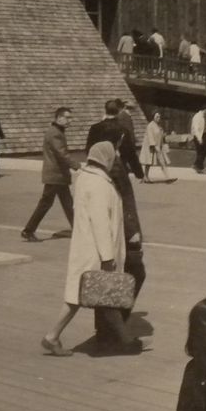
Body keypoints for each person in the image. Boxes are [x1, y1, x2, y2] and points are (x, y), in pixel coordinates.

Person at [40, 140, 138, 356]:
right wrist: (107, 256)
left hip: (85, 247)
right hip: (96, 251)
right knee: (94, 294)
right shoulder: (99, 185)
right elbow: (101, 222)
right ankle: (52, 336)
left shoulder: (85, 178)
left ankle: (125, 340)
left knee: (98, 295)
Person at [86, 100, 147, 346]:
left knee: (109, 277)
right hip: (120, 234)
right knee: (133, 273)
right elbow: (126, 204)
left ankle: (107, 329)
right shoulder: (117, 165)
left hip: (104, 235)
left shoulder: (94, 131)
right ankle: (114, 329)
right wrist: (134, 233)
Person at [21, 107, 75, 242]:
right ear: (59, 118)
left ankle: (78, 229)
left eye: (70, 118)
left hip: (57, 175)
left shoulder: (56, 131)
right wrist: (77, 166)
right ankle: (28, 230)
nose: (70, 121)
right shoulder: (55, 133)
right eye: (67, 118)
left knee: (68, 204)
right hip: (55, 175)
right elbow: (61, 153)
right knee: (46, 203)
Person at [190, 106, 206, 174]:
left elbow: (205, 127)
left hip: (202, 135)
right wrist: (199, 139)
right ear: (205, 109)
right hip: (198, 135)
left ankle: (198, 165)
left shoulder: (203, 116)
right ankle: (198, 167)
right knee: (202, 151)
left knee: (203, 151)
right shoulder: (197, 116)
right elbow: (196, 129)